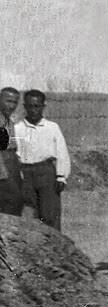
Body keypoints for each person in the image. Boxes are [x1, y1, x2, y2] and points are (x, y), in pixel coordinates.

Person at [14, 89, 70, 230]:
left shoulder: (52, 127)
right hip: (25, 174)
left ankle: (55, 250)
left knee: (50, 214)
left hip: (46, 173)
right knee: (29, 215)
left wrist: (61, 176)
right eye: (30, 106)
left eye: (37, 106)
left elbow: (62, 152)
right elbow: (15, 155)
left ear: (43, 106)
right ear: (24, 106)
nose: (33, 110)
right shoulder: (17, 128)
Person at [0, 87, 22, 216]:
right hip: (3, 168)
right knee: (12, 201)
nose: (12, 105)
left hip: (12, 165)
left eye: (15, 102)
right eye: (8, 101)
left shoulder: (9, 121)